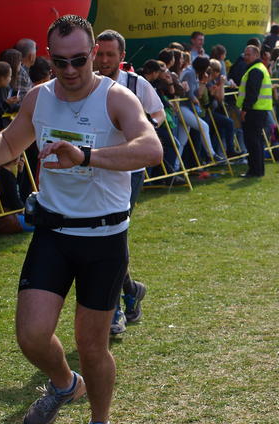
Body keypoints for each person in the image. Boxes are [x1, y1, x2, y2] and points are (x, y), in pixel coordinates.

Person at [0, 14, 162, 424]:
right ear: (49, 58)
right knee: (31, 336)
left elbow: (151, 149)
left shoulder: (115, 97)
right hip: (54, 233)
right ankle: (65, 384)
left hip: (103, 237)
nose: (69, 70)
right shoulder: (39, 97)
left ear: (93, 55)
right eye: (59, 62)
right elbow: (9, 144)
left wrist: (87, 156)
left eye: (79, 60)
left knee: (92, 345)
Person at [94, 28, 165, 334]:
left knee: (112, 234)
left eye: (110, 54)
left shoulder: (136, 84)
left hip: (130, 172)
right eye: (100, 54)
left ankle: (115, 310)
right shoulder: (85, 85)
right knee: (102, 236)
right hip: (95, 169)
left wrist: (146, 127)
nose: (104, 60)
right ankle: (131, 290)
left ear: (122, 56)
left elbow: (159, 113)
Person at [237, 45, 273, 178]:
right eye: (245, 54)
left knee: (252, 142)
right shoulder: (259, 68)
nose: (245, 57)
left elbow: (252, 93)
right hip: (259, 110)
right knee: (256, 142)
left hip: (254, 111)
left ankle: (254, 170)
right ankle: (257, 170)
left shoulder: (255, 70)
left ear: (256, 55)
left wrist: (245, 109)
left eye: (248, 54)